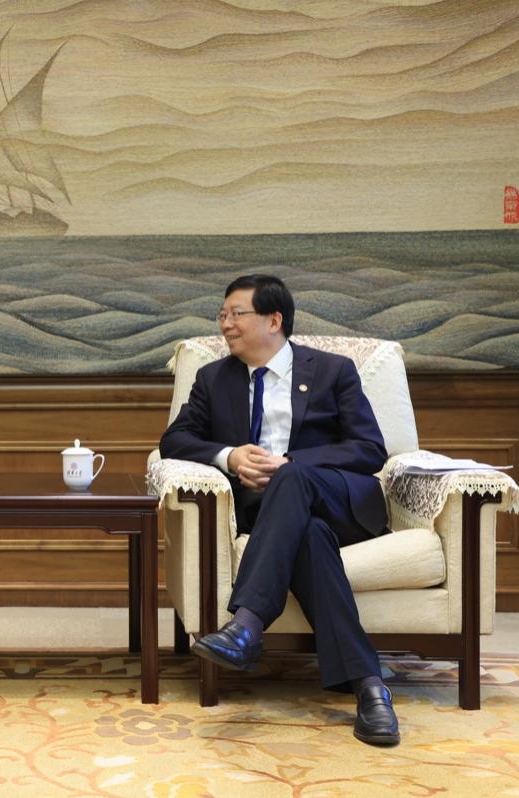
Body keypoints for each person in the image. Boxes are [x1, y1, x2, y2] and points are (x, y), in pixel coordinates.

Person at [159, 274, 399, 746]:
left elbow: (370, 449)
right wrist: (229, 456)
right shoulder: (214, 379)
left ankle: (247, 624)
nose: (225, 324)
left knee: (292, 478)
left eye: (236, 314)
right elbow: (174, 440)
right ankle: (370, 687)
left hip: (339, 504)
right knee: (307, 536)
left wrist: (293, 463)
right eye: (222, 315)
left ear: (274, 320)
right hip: (274, 518)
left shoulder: (333, 371)